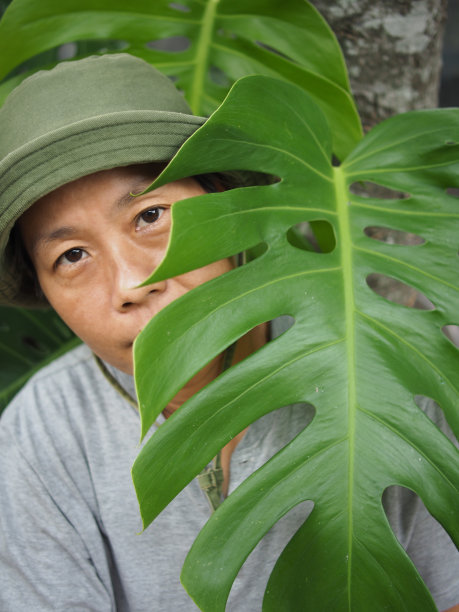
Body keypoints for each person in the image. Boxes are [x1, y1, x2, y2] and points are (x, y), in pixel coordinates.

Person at [0, 54, 457, 611]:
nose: (132, 283)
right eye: (72, 255)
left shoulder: (393, 366)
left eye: (150, 216)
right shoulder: (40, 435)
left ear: (227, 201)